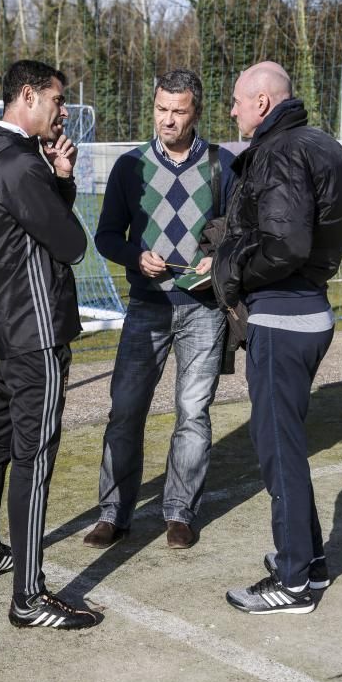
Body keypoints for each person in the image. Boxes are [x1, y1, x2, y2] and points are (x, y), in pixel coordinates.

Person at [0, 60, 98, 630]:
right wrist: (62, 179)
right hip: (34, 332)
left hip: (2, 324)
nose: (62, 112)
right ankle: (29, 598)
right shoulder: (19, 165)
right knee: (32, 454)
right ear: (29, 96)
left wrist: (55, 175)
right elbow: (71, 243)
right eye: (58, 101)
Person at [212, 61, 342, 614]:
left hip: (283, 318)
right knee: (287, 447)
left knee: (280, 455)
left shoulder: (278, 151)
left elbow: (286, 245)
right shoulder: (324, 144)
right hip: (308, 311)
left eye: (237, 100)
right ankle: (309, 560)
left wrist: (229, 270)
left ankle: (294, 582)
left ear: (263, 103)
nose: (231, 110)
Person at [83, 68, 235, 550]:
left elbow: (241, 232)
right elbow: (106, 235)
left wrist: (219, 257)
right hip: (146, 307)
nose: (167, 120)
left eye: (178, 111)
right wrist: (135, 256)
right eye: (161, 109)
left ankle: (180, 512)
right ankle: (113, 513)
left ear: (196, 112)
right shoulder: (129, 167)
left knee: (192, 413)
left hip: (204, 310)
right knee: (125, 411)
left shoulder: (223, 165)